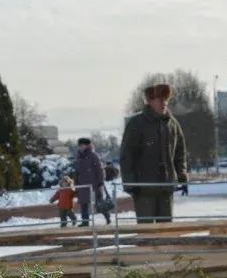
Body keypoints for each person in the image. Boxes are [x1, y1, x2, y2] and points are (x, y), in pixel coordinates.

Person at [119, 83, 188, 224]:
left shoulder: (172, 124)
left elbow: (180, 154)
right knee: (146, 230)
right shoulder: (136, 123)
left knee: (165, 230)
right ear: (150, 101)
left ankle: (165, 247)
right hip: (144, 187)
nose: (164, 104)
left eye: (166, 100)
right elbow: (127, 155)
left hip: (166, 186)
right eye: (160, 100)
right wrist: (130, 182)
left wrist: (182, 176)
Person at [73, 137, 107, 226]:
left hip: (94, 184)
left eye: (82, 145)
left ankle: (107, 216)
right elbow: (76, 171)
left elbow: (99, 169)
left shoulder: (93, 155)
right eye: (79, 145)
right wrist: (76, 182)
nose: (80, 147)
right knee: (83, 204)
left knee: (98, 203)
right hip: (82, 184)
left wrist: (100, 181)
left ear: (87, 145)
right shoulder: (78, 157)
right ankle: (85, 221)